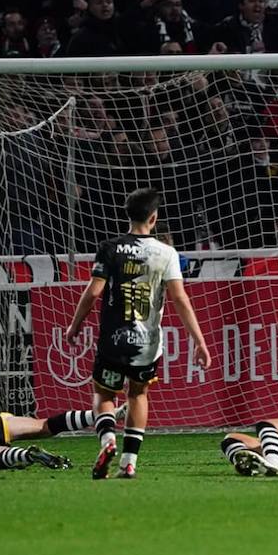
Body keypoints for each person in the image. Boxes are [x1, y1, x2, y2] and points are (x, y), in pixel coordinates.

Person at [65, 188, 211, 479]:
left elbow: (94, 292)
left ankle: (107, 441)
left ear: (128, 214)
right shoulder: (167, 253)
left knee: (105, 393)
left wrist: (75, 324)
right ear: (154, 218)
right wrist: (199, 340)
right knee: (138, 395)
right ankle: (129, 462)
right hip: (146, 345)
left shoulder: (110, 247)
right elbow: (180, 299)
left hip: (112, 341)